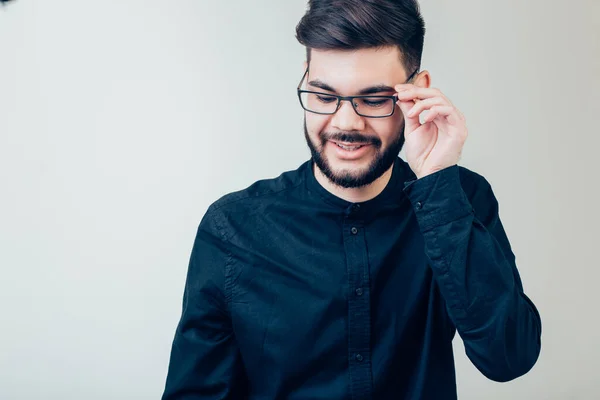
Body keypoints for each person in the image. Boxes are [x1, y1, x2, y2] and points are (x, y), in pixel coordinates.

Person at [161, 0, 542, 398]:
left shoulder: (460, 199)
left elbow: (509, 357)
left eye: (374, 99)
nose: (345, 123)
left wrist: (438, 186)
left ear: (418, 93)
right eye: (324, 97)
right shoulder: (233, 228)